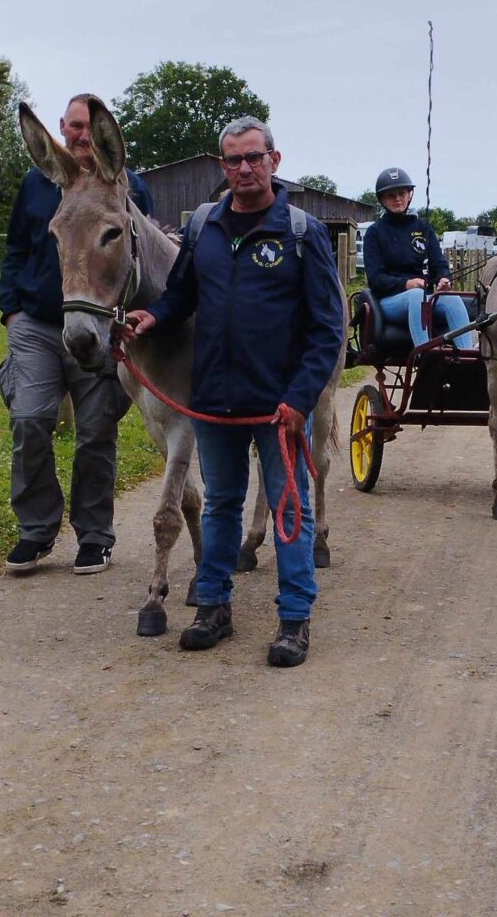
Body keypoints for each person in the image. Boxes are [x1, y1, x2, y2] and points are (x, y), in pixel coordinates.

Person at [120, 116, 343, 666]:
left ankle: (294, 619)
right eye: (234, 160)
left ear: (274, 160)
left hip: (280, 404)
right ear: (223, 166)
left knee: (290, 510)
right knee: (221, 505)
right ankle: (214, 607)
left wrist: (301, 397)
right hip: (215, 399)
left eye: (254, 157)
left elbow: (326, 328)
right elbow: (182, 296)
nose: (244, 168)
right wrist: (153, 316)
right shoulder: (204, 228)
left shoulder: (301, 233)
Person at [0, 93, 153, 576]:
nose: (79, 136)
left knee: (95, 431)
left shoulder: (129, 188)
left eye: (87, 127)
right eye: (72, 127)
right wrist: (11, 313)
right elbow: (18, 249)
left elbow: (140, 258)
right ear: (61, 131)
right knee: (29, 419)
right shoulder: (37, 185)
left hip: (101, 325)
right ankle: (37, 529)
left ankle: (93, 536)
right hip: (39, 325)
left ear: (101, 132)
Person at [363, 168, 473, 349]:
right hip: (389, 301)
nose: (397, 199)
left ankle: (467, 359)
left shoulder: (424, 228)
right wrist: (406, 284)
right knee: (416, 295)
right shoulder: (375, 233)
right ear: (382, 199)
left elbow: (439, 265)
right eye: (391, 195)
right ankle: (426, 358)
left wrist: (444, 280)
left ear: (409, 195)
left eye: (401, 193)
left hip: (422, 297)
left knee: (452, 299)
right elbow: (376, 279)